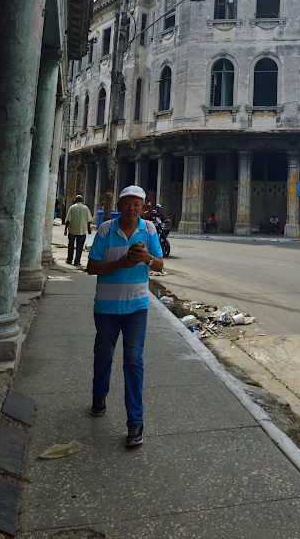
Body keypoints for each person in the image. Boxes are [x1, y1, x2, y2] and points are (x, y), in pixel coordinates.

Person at [85, 185, 164, 447]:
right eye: (127, 204)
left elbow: (160, 264)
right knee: (103, 355)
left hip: (137, 307)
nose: (132, 208)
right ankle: (99, 397)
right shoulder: (106, 230)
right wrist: (122, 263)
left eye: (136, 204)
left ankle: (135, 423)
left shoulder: (149, 230)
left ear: (143, 207)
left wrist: (148, 258)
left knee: (133, 360)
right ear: (120, 206)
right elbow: (91, 267)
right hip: (107, 308)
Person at [64, 194, 91, 266]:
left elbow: (68, 220)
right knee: (79, 247)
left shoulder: (72, 208)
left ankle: (69, 260)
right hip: (82, 231)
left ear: (75, 200)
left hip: (72, 230)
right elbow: (89, 220)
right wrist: (89, 229)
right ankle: (77, 261)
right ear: (82, 201)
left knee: (71, 246)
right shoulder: (85, 208)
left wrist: (66, 229)